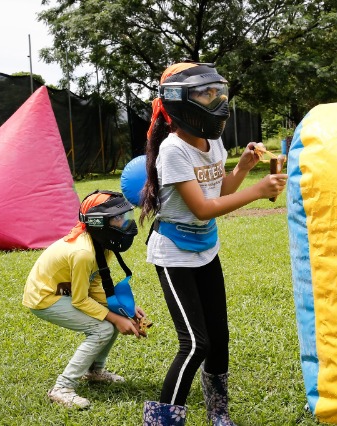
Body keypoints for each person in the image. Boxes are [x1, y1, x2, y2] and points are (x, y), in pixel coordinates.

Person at [138, 62, 287, 425]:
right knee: (195, 343)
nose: (218, 101)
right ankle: (161, 422)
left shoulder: (214, 141)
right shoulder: (174, 151)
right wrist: (258, 191)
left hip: (206, 248)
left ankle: (218, 415)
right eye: (206, 94)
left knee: (219, 339)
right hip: (174, 252)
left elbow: (220, 191)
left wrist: (243, 169)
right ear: (180, 102)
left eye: (218, 91)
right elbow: (203, 208)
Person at [22, 190, 149, 409]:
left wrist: (125, 309)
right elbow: (80, 299)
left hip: (64, 290)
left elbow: (93, 285)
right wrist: (115, 319)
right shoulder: (83, 253)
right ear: (99, 222)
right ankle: (62, 388)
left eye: (124, 217)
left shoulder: (102, 243)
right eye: (118, 218)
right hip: (45, 297)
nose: (125, 224)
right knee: (103, 329)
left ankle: (94, 372)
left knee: (112, 319)